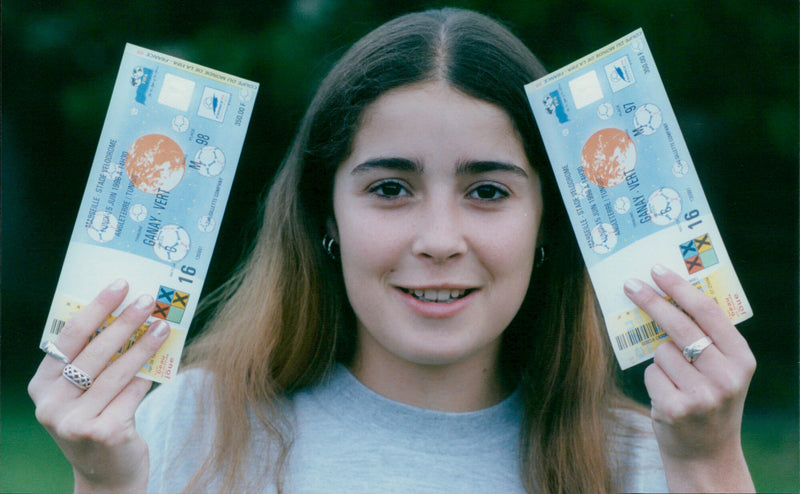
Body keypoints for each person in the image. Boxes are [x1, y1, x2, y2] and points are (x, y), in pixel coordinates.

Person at [28, 8, 756, 493]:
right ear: (327, 213)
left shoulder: (653, 464)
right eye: (389, 189)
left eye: (488, 191)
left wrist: (711, 466)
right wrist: (104, 485)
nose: (438, 240)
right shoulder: (187, 429)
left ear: (549, 223)